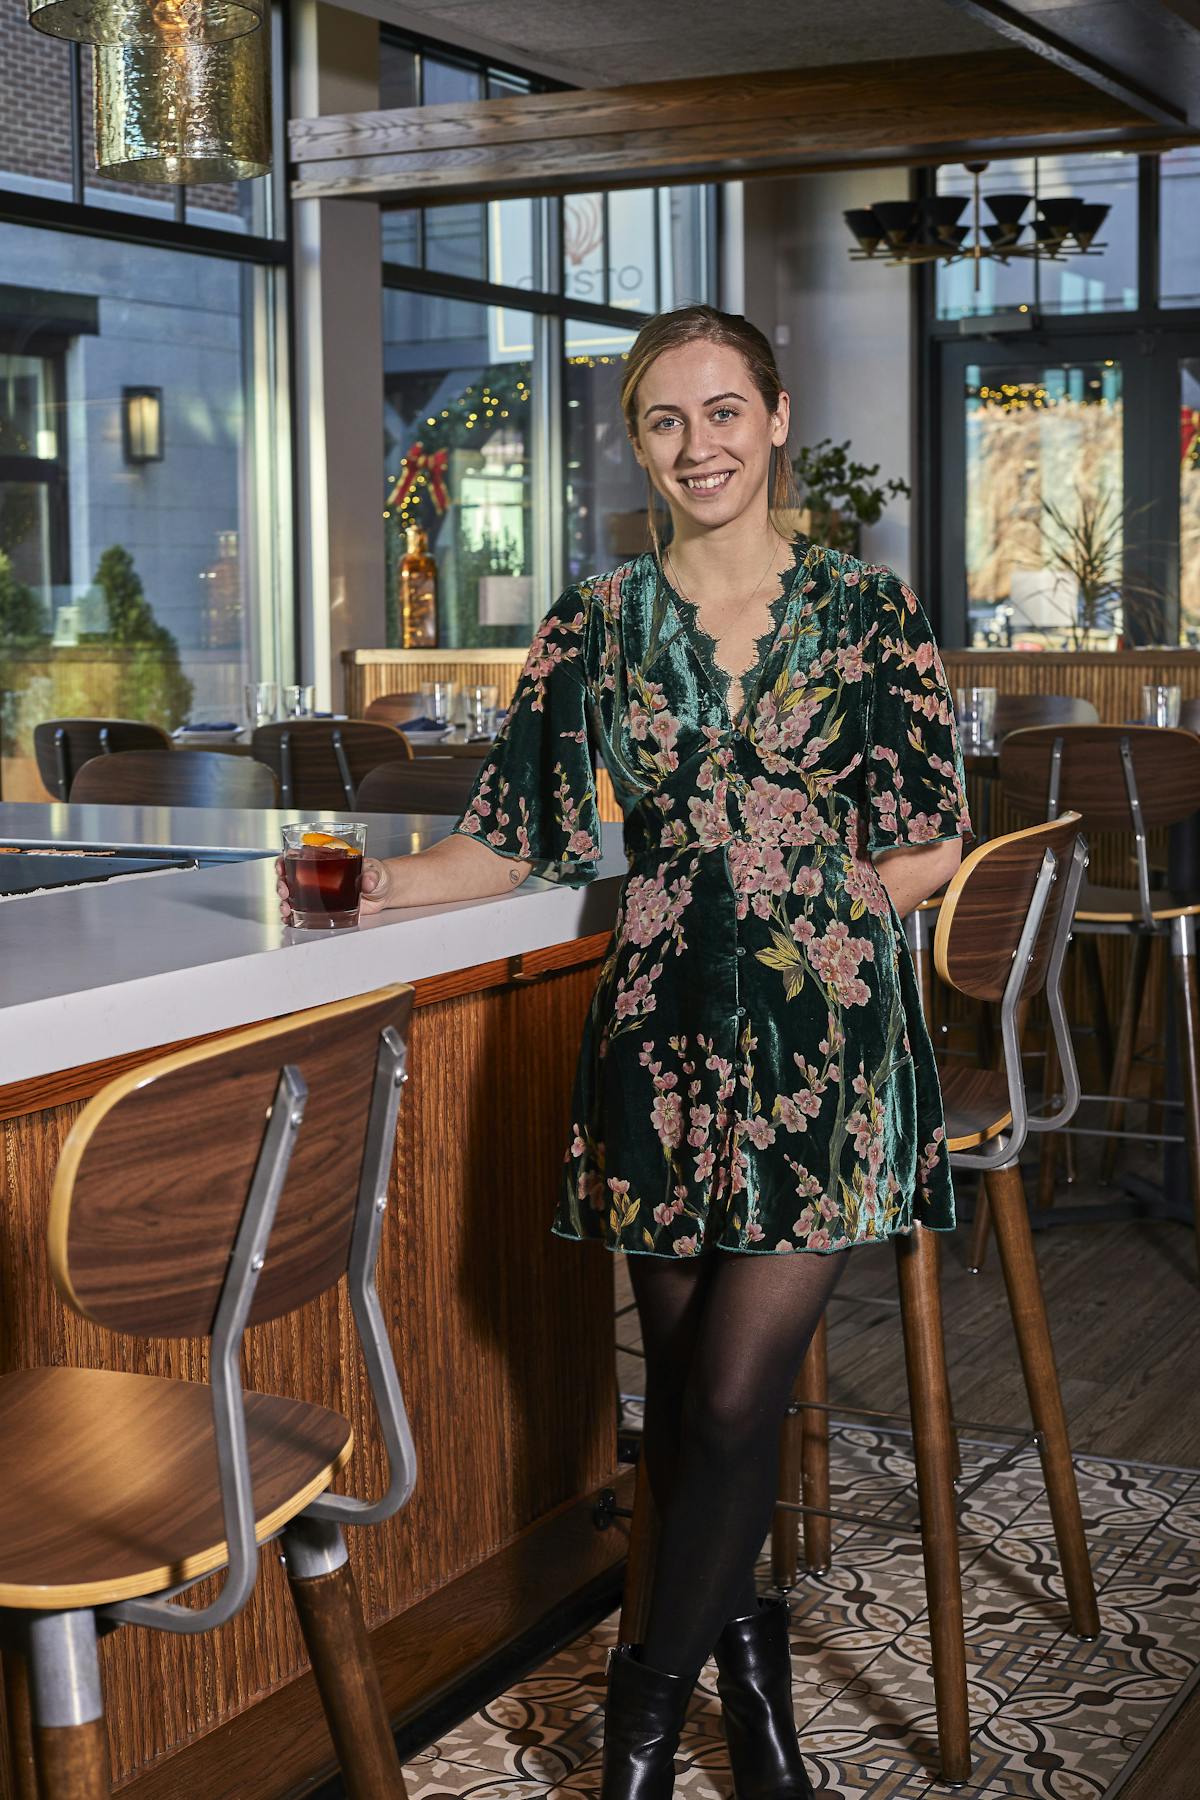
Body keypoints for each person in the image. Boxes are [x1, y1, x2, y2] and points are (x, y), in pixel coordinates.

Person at [277, 304, 970, 1799]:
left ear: (775, 422)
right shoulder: (591, 625)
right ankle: (758, 1683)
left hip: (822, 1043)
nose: (697, 445)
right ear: (638, 444)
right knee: (684, 1398)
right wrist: (382, 886)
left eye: (723, 414)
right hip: (656, 1041)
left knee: (729, 1400)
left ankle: (643, 1725)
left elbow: (932, 839)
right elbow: (510, 839)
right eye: (666, 420)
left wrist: (827, 901)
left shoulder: (869, 612)